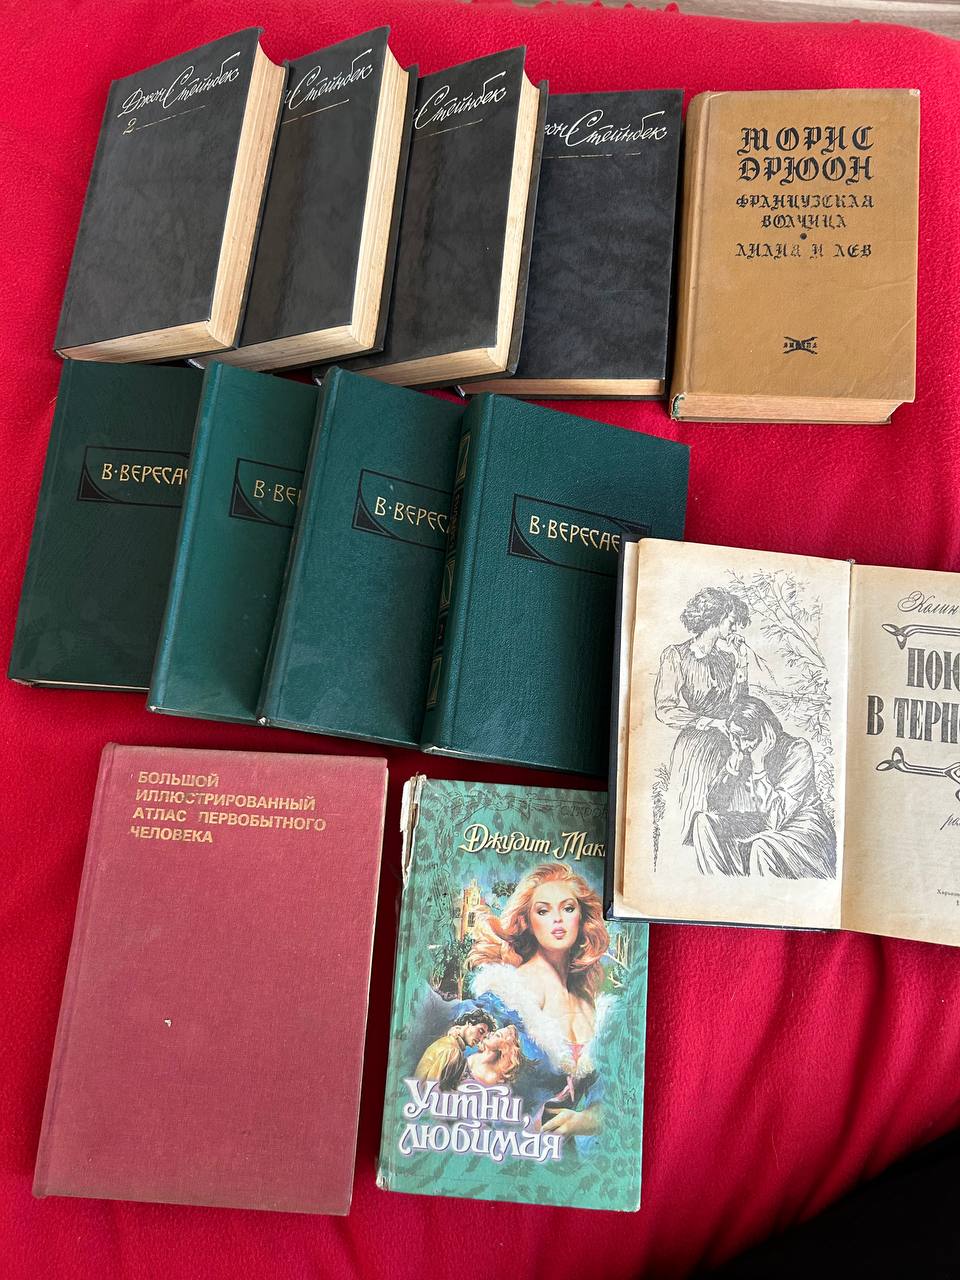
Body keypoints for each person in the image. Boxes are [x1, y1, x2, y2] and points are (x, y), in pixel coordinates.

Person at [465, 864, 611, 1148]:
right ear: (527, 922)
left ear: (582, 917)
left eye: (568, 908)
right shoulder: (512, 990)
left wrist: (589, 1119)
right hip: (509, 1149)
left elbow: (612, 1094)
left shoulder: (589, 1002)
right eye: (543, 911)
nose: (557, 919)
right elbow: (470, 1068)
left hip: (566, 1159)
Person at [691, 696, 836, 879]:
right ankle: (719, 887)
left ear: (767, 732)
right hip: (764, 823)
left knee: (761, 846)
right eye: (736, 737)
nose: (743, 745)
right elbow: (714, 805)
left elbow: (777, 818)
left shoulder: (797, 749)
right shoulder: (743, 751)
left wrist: (758, 766)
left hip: (802, 830)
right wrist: (733, 764)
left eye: (748, 738)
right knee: (704, 822)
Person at [655, 586, 751, 856]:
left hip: (727, 746)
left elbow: (741, 704)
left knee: (728, 816)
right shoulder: (676, 655)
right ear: (715, 618)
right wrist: (708, 722)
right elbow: (665, 709)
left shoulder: (727, 659)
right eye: (732, 621)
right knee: (694, 818)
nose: (736, 628)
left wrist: (742, 662)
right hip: (695, 749)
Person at [412, 1006, 495, 1090]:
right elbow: (434, 1089)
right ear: (468, 1023)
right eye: (480, 1032)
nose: (480, 1039)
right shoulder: (452, 1050)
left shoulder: (448, 1042)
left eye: (484, 1037)